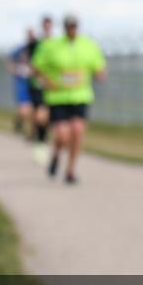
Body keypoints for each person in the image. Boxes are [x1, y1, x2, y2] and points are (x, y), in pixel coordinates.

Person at [31, 13, 106, 183]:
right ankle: (56, 155)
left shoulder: (88, 45)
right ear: (64, 27)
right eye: (68, 26)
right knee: (63, 135)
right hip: (58, 98)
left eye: (74, 26)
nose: (71, 29)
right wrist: (47, 81)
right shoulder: (51, 46)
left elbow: (99, 65)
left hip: (80, 96)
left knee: (78, 131)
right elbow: (36, 66)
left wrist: (100, 73)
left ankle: (70, 171)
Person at [29, 15, 54, 163]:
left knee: (46, 117)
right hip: (37, 84)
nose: (47, 28)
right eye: (45, 25)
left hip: (52, 86)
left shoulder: (56, 43)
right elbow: (32, 64)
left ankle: (43, 141)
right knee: (39, 115)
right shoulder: (36, 44)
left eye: (49, 25)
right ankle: (40, 143)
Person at [9, 28, 37, 135]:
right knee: (23, 110)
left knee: (32, 110)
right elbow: (10, 59)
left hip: (32, 83)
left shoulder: (37, 49)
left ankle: (32, 133)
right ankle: (18, 121)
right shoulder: (21, 49)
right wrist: (14, 69)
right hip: (21, 83)